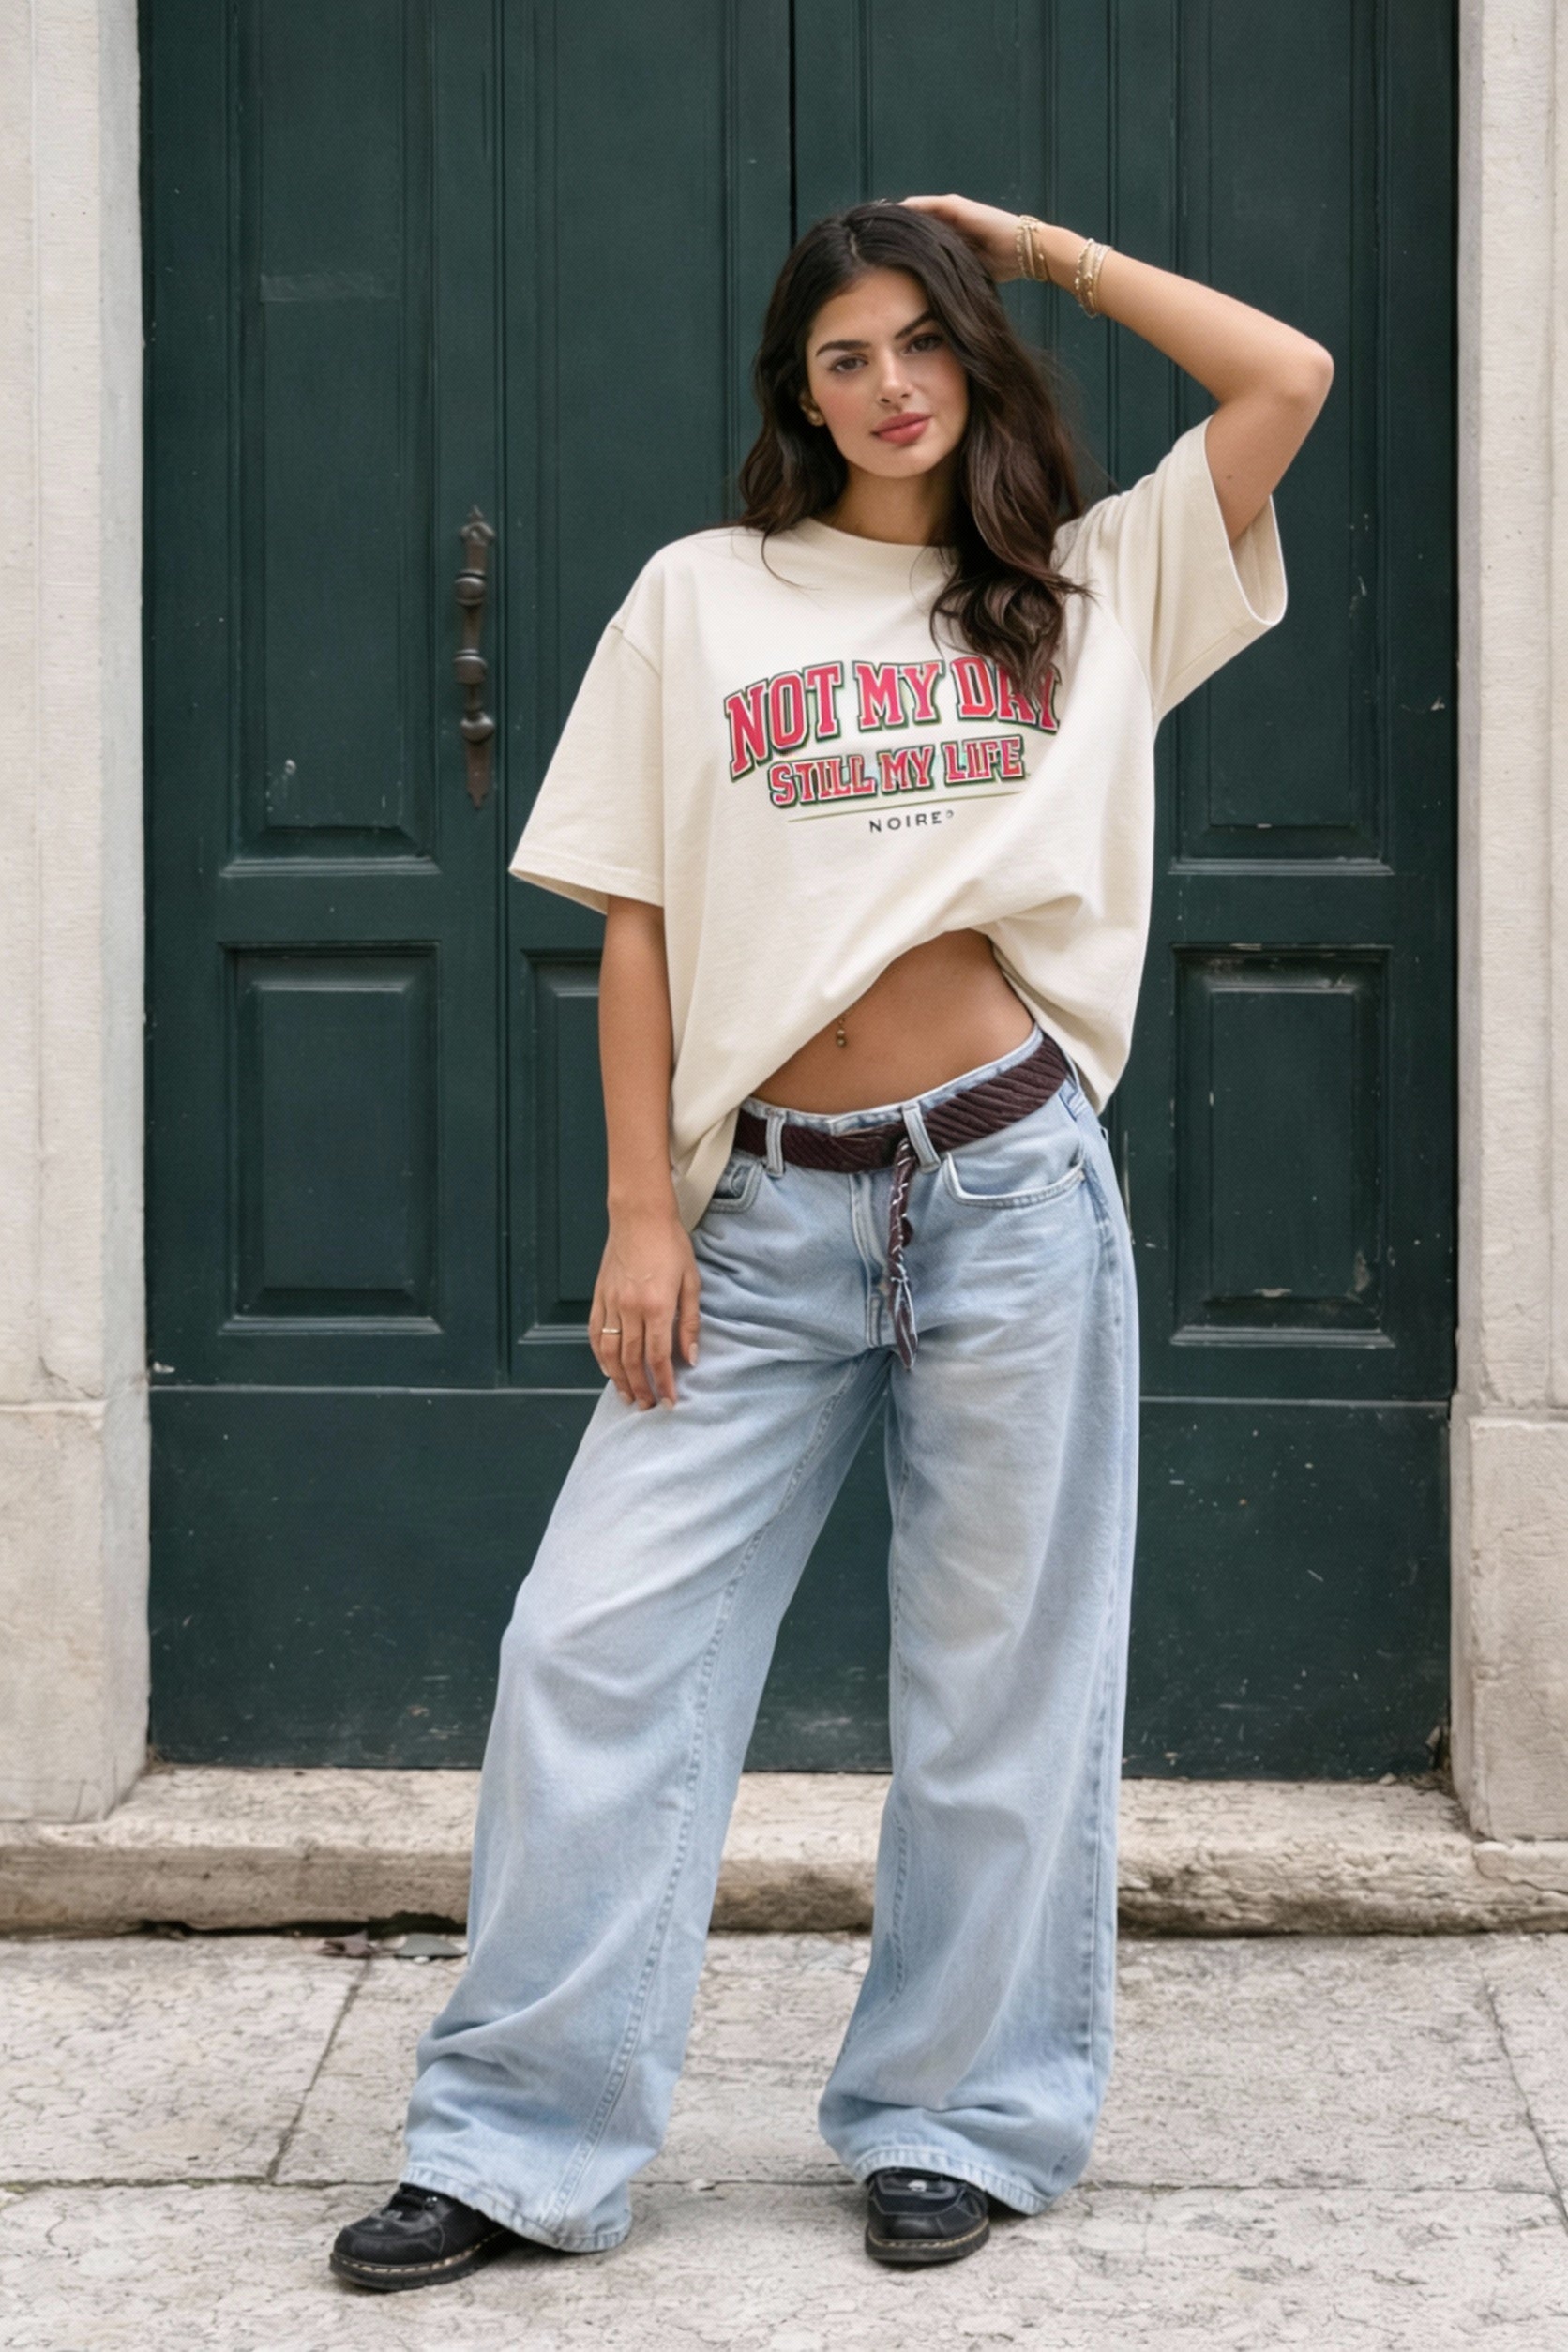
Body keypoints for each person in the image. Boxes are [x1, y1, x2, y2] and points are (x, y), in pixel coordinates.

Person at [329, 194, 1328, 2292]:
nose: (887, 390)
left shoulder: (1087, 581)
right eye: (839, 360)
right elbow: (635, 919)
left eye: (918, 344)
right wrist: (636, 1214)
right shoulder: (701, 598)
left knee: (998, 1682)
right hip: (763, 1207)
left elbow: (1284, 380)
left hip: (1007, 1191)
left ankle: (954, 2116)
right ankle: (515, 2140)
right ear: (797, 397)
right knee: (587, 1644)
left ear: (972, 353)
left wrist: (1038, 248)